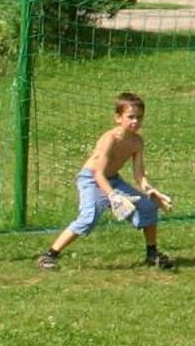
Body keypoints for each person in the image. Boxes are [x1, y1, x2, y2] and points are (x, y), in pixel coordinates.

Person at [38, 91, 174, 270]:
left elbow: (139, 175)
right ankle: (49, 255)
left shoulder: (137, 142)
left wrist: (150, 190)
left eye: (139, 118)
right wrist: (113, 196)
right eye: (130, 117)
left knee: (148, 207)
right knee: (89, 217)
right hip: (92, 180)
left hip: (113, 180)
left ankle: (152, 253)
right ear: (118, 118)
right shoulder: (110, 138)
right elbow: (98, 173)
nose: (135, 121)